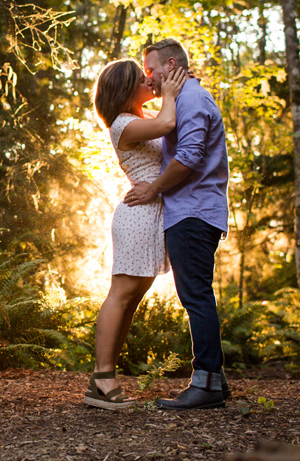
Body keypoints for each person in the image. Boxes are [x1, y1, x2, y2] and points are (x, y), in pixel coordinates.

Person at [125, 38, 230, 410]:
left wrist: (152, 189)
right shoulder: (185, 99)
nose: (149, 79)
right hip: (192, 211)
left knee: (196, 297)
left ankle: (205, 384)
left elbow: (187, 159)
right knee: (198, 295)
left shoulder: (192, 101)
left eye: (151, 70)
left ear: (171, 65)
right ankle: (214, 379)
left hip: (193, 212)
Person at [84, 58, 188, 410]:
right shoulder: (123, 125)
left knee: (132, 297)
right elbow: (169, 121)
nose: (150, 81)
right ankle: (102, 376)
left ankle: (102, 377)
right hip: (136, 216)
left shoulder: (137, 120)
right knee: (121, 294)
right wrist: (171, 92)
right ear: (126, 90)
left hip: (149, 214)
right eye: (142, 79)